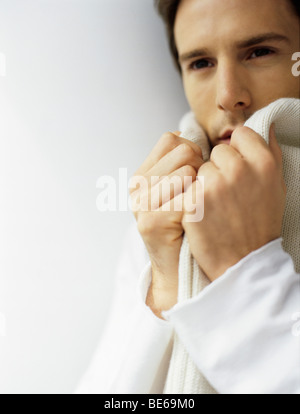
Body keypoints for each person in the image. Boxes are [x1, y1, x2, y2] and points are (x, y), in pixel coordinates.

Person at [76, 0, 300, 394]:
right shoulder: (162, 221)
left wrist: (245, 271)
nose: (228, 96)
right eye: (200, 63)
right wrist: (164, 287)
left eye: (260, 51)